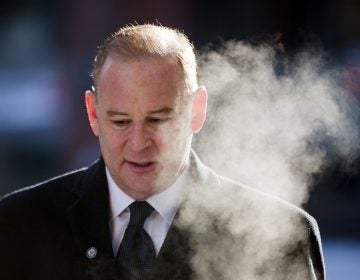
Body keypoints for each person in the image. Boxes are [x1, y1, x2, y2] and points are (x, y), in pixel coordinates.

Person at [0, 24, 325, 280]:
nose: (139, 142)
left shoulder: (281, 236)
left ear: (197, 110)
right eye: (121, 121)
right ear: (93, 113)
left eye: (158, 119)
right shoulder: (18, 226)